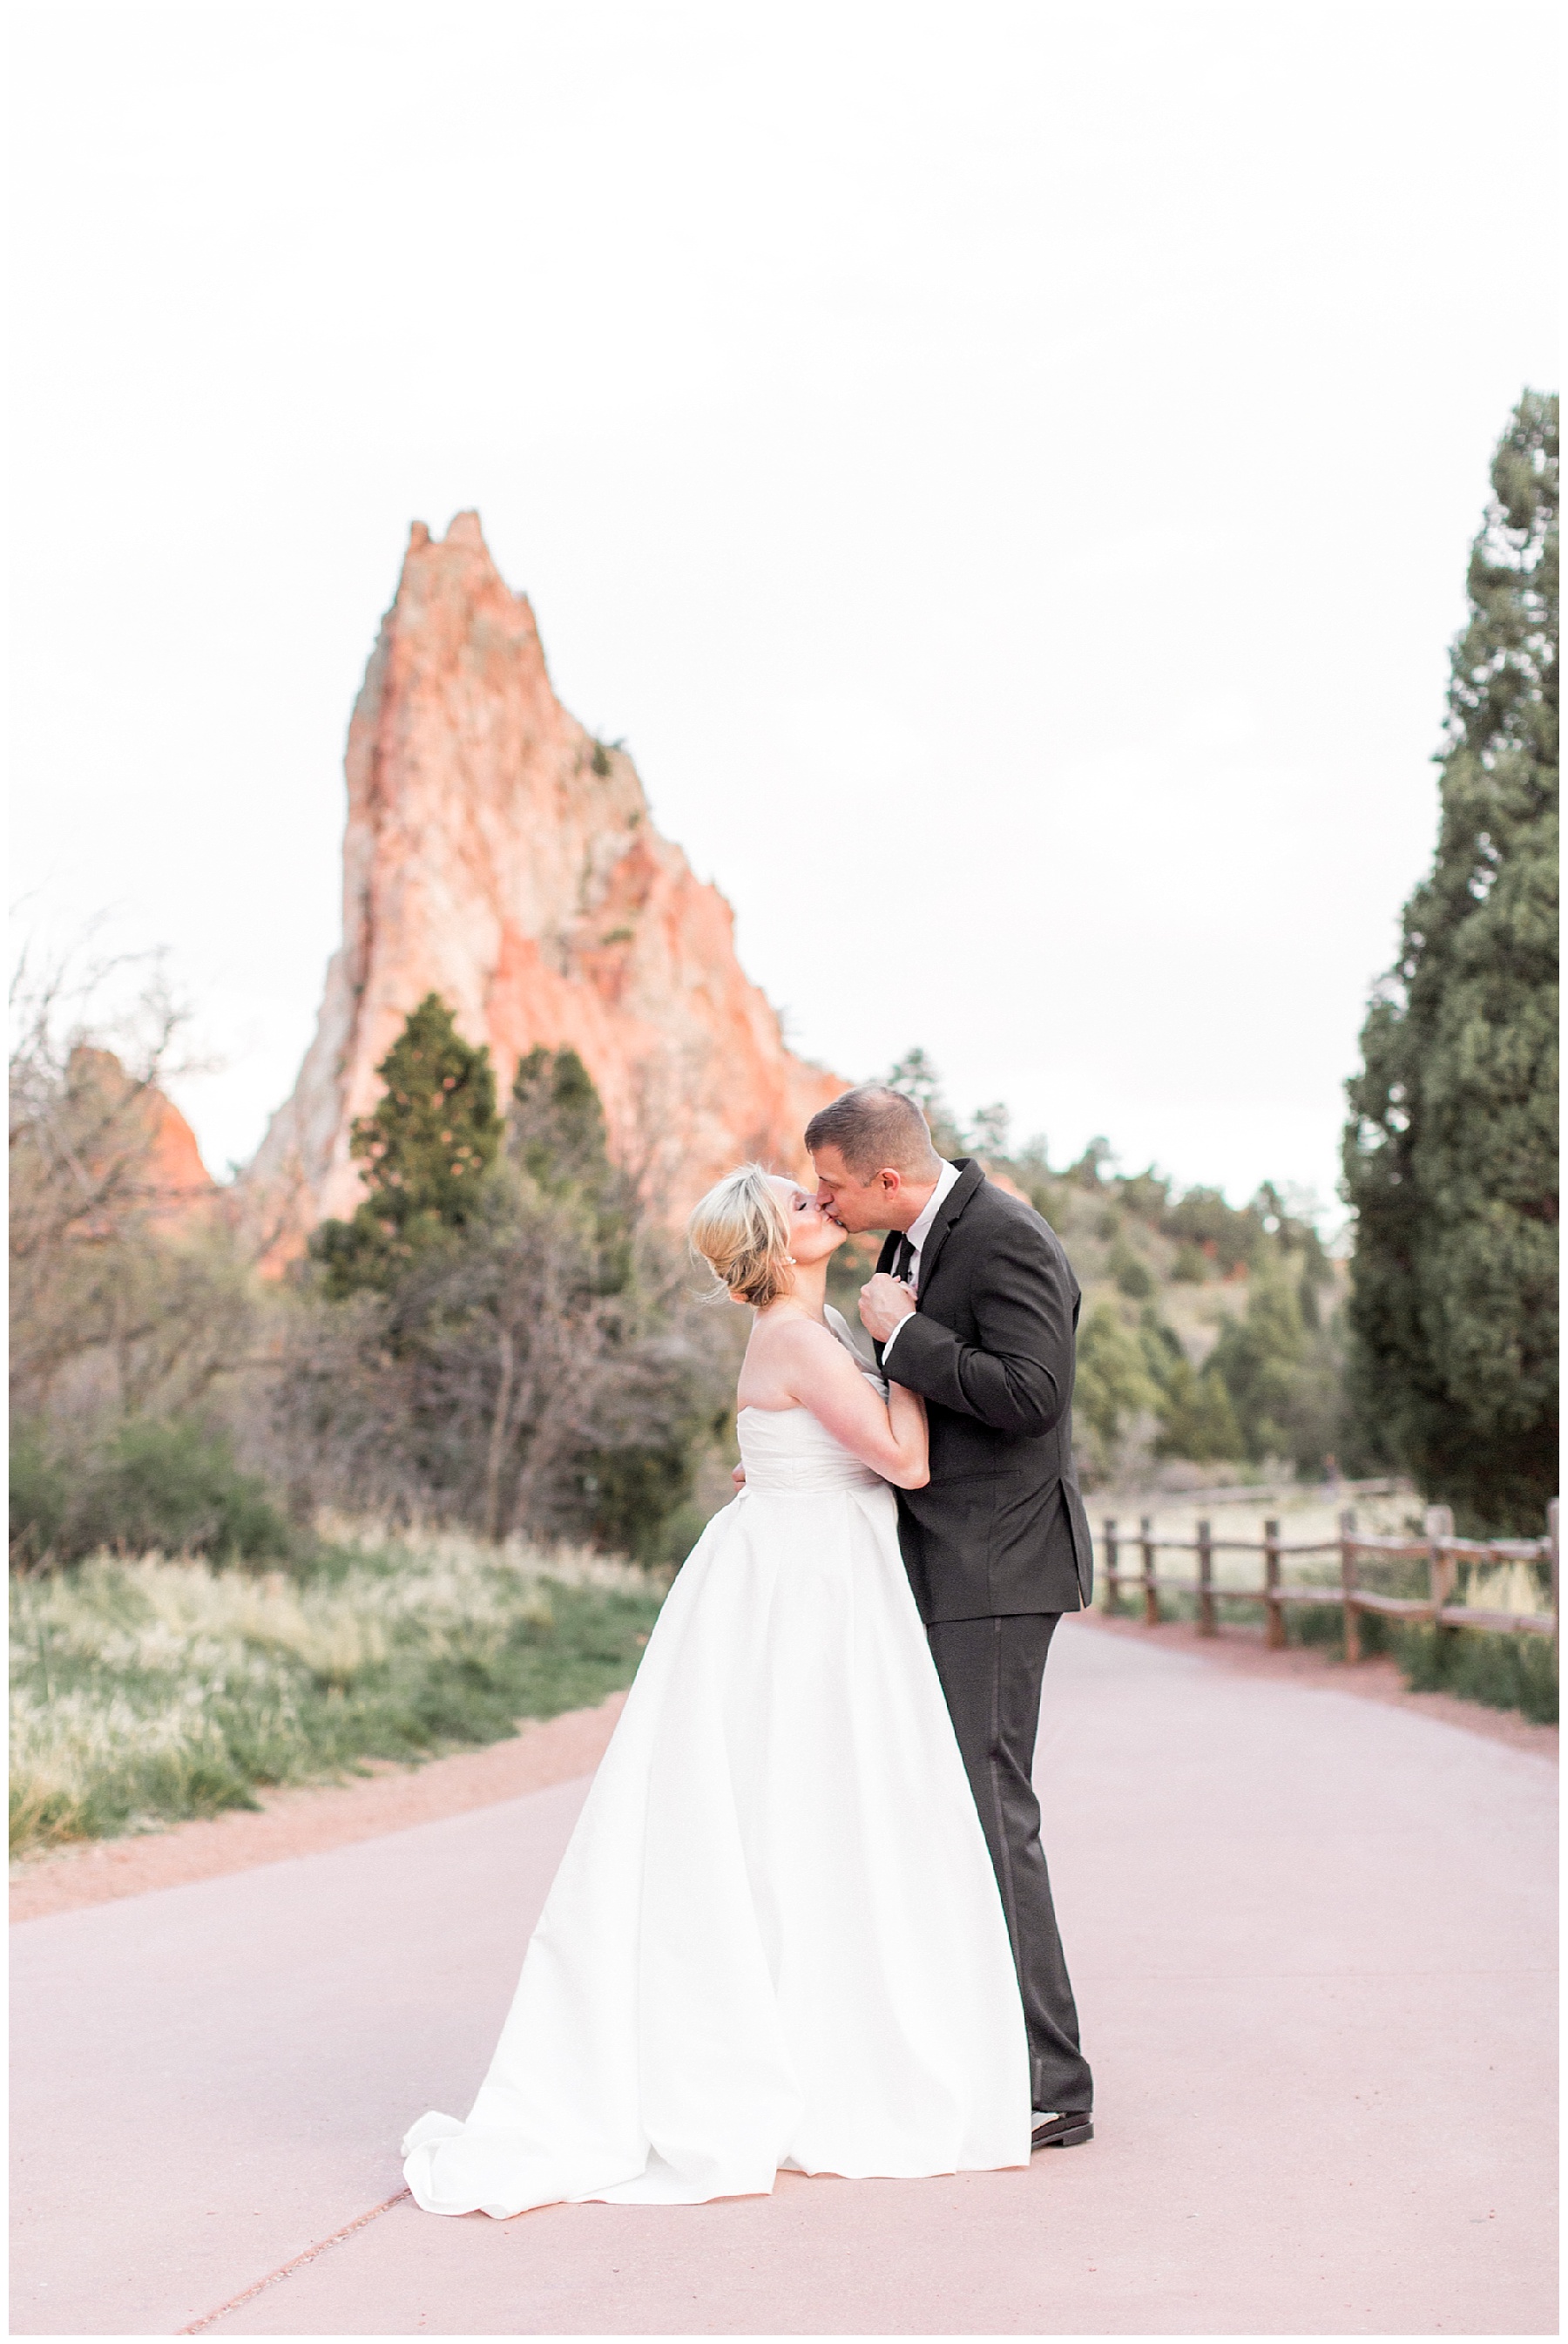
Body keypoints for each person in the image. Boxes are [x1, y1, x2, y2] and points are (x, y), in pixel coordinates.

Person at [401, 1166, 1031, 2219]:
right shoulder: (800, 1335)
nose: (816, 1203)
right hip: (807, 1592)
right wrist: (909, 1343)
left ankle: (814, 2040)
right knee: (806, 1811)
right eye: (797, 1203)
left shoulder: (814, 1325)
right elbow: (905, 1459)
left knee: (801, 1819)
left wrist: (875, 1347)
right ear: (770, 1245)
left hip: (812, 1572)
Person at [805, 1086, 1095, 2149]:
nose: (825, 1203)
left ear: (887, 1177)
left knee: (991, 1812)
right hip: (937, 1564)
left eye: (833, 1184)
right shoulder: (907, 1242)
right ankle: (970, 2053)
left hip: (998, 1570)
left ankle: (1053, 2082)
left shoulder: (1006, 1235)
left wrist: (909, 1334)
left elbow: (1033, 1394)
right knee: (942, 1811)